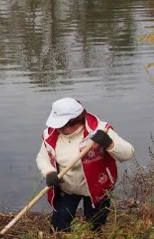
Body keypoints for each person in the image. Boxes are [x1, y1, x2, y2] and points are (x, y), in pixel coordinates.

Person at [36, 98, 134, 232]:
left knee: (95, 224)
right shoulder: (51, 134)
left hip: (97, 189)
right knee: (59, 224)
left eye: (63, 126)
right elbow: (42, 158)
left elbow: (127, 154)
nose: (59, 129)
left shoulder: (100, 130)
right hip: (67, 188)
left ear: (77, 121)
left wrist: (109, 143)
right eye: (58, 126)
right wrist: (49, 172)